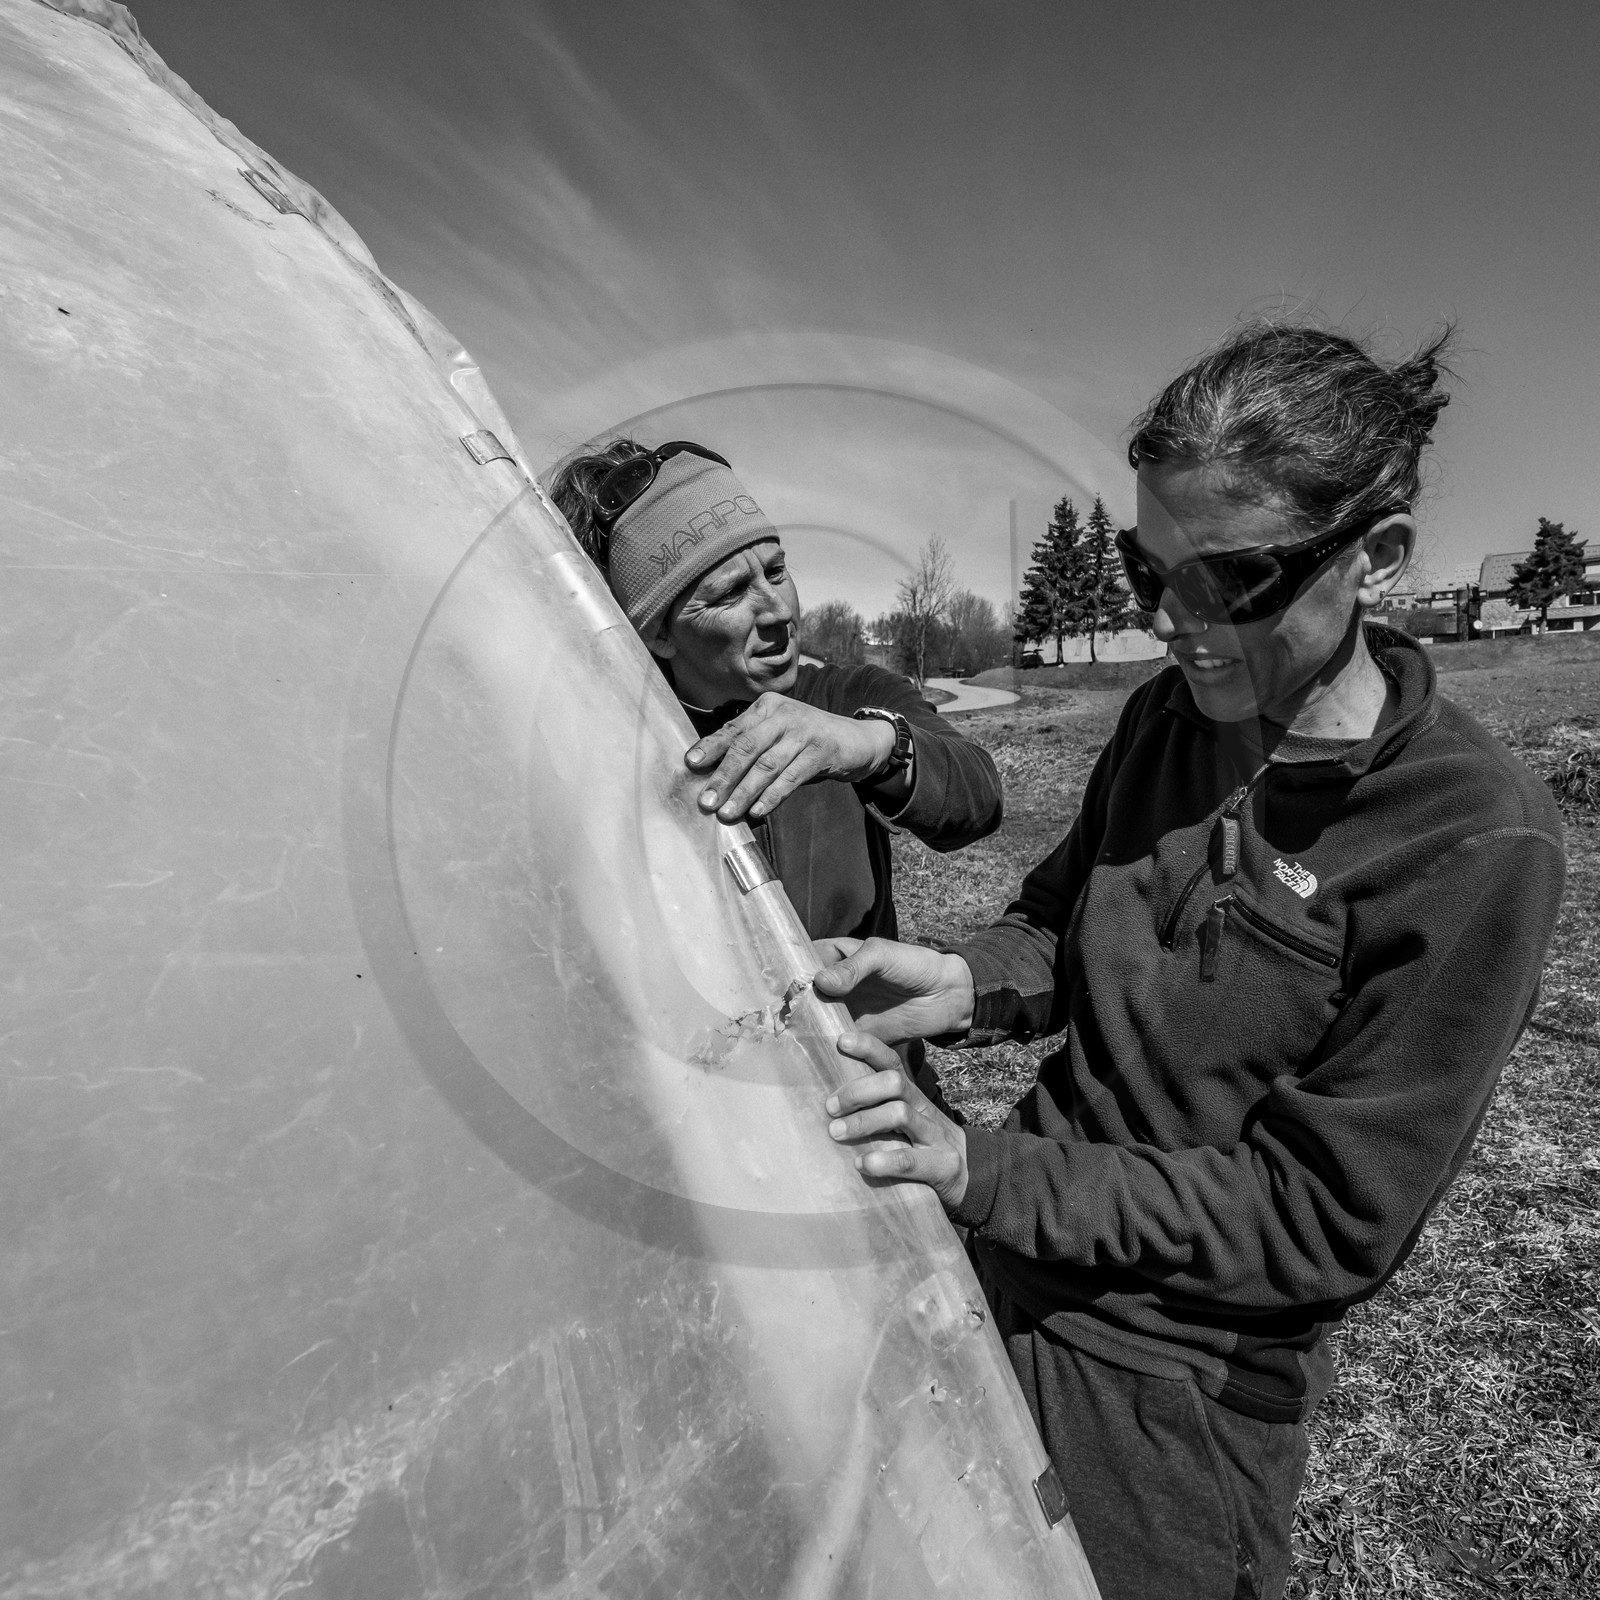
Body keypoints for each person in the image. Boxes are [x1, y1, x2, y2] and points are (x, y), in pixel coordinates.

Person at [811, 324, 1566, 1600]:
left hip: (1172, 1379)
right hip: (996, 1260)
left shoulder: (1475, 837)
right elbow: (1060, 917)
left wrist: (983, 1167)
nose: (1168, 622)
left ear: (1373, 559)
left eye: (1226, 582)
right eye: (1142, 569)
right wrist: (959, 981)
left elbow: (1315, 1220)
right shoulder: (1174, 713)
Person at [546, 436, 1002, 956]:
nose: (778, 611)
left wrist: (872, 746)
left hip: (865, 1038)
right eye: (730, 594)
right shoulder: (615, 757)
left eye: (777, 571)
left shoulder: (853, 694)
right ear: (656, 634)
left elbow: (979, 797)